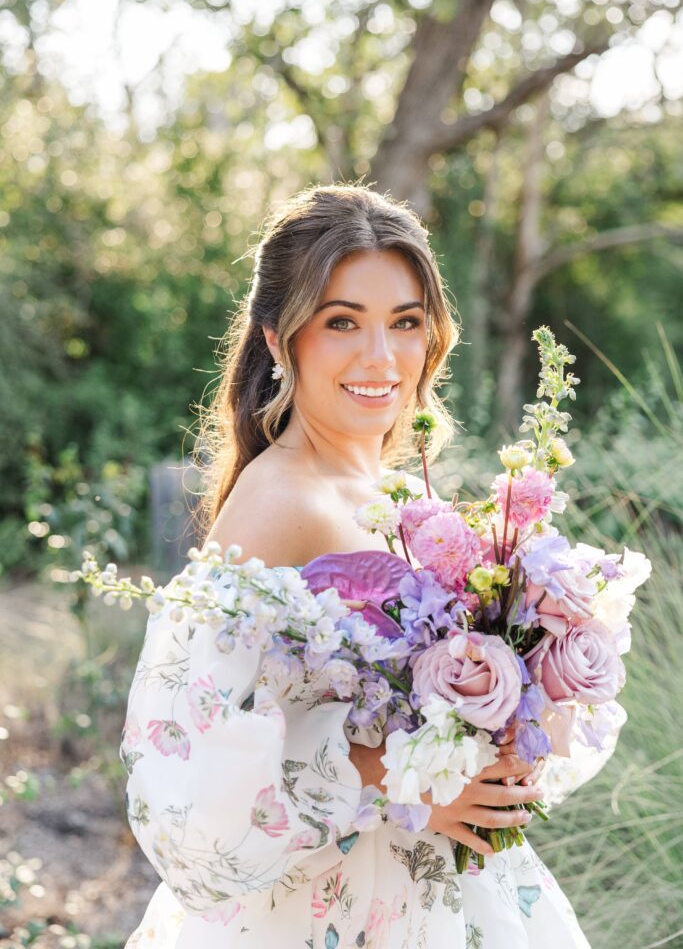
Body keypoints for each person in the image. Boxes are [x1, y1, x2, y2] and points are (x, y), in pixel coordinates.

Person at [121, 183, 624, 948]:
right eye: (342, 322)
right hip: (332, 910)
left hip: (440, 896)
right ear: (278, 338)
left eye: (405, 322)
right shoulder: (276, 502)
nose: (380, 356)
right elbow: (189, 778)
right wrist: (395, 776)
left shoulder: (391, 493)